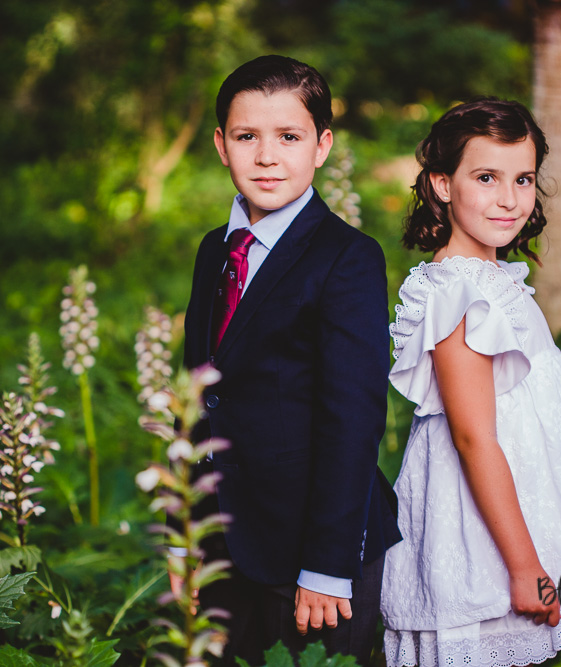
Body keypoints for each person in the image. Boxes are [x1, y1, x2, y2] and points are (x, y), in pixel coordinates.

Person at [380, 98, 561, 667]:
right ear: (442, 184)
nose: (508, 198)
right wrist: (523, 565)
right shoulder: (458, 295)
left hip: (531, 509)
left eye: (523, 179)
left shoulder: (491, 277)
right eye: (485, 178)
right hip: (490, 539)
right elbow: (473, 438)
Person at [181, 54, 402, 666]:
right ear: (222, 145)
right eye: (248, 136)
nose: (267, 156)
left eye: (289, 137)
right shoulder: (213, 251)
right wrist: (186, 542)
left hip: (314, 555)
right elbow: (198, 401)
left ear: (322, 146)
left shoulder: (347, 257)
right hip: (224, 544)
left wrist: (328, 567)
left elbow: (353, 419)